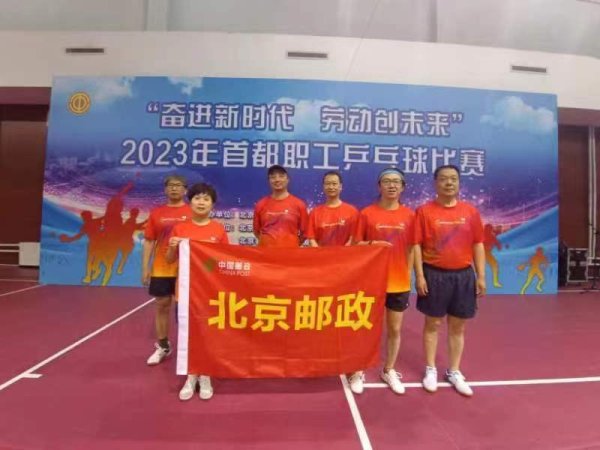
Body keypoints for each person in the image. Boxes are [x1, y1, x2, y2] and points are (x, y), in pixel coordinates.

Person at [413, 165, 485, 397]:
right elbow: (416, 245)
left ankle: (454, 371)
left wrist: (481, 276)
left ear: (459, 183)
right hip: (434, 274)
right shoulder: (424, 211)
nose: (449, 183)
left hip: (463, 275)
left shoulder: (470, 212)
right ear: (436, 183)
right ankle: (431, 369)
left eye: (453, 179)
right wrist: (420, 275)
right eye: (444, 179)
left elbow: (478, 244)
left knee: (458, 326)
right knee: (432, 324)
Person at [352, 167, 415, 395]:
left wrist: (409, 275)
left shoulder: (410, 215)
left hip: (398, 282)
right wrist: (372, 244)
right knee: (366, 328)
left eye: (396, 181)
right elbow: (356, 245)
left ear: (403, 187)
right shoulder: (367, 214)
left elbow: (412, 248)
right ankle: (358, 370)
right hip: (371, 281)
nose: (391, 185)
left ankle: (388, 370)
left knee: (394, 328)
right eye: (387, 181)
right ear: (379, 186)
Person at [166, 182, 229, 401]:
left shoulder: (218, 229)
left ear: (212, 204)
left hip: (209, 292)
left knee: (208, 335)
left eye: (206, 199)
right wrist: (173, 246)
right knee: (187, 334)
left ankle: (205, 375)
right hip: (184, 293)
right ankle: (191, 376)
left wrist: (204, 265)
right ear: (190, 202)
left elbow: (223, 260)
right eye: (197, 198)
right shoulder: (179, 229)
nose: (201, 202)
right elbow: (170, 260)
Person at [143, 175, 191, 366]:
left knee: (186, 310)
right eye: (170, 185)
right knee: (162, 304)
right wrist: (145, 268)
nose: (174, 188)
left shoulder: (193, 211)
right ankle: (163, 346)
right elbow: (149, 241)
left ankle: (189, 348)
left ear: (185, 190)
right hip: (161, 267)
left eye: (178, 185)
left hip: (186, 269)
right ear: (165, 190)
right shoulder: (157, 213)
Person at [253, 165, 308, 248]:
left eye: (281, 176)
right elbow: (256, 231)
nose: (277, 180)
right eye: (273, 177)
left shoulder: (299, 204)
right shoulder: (261, 204)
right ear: (269, 181)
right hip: (265, 253)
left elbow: (304, 233)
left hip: (290, 253)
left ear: (288, 180)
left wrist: (290, 245)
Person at [306, 171, 358, 247]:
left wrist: (342, 252)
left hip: (345, 253)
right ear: (323, 187)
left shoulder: (352, 211)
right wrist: (321, 252)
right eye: (327, 184)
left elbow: (353, 238)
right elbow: (311, 239)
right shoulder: (315, 213)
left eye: (334, 184)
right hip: (321, 254)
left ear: (340, 186)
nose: (331, 187)